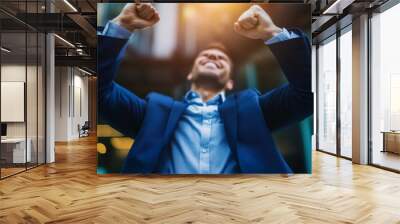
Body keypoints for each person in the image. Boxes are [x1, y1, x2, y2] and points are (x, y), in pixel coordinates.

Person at [98, 3, 313, 174]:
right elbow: (99, 92)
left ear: (230, 82)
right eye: (206, 56)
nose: (212, 56)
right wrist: (122, 25)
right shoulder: (154, 111)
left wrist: (271, 31)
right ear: (190, 75)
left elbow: (307, 94)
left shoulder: (253, 109)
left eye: (221, 58)